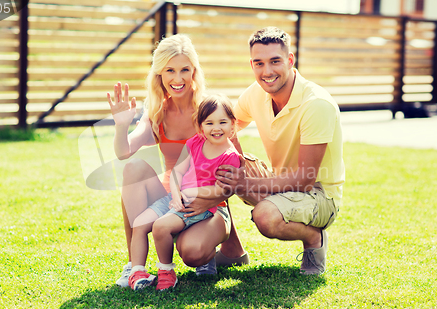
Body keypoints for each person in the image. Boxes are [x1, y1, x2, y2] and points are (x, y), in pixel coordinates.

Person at [107, 34, 247, 288]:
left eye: (185, 70)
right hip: (169, 197)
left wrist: (212, 197)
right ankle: (134, 267)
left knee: (192, 252)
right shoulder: (157, 112)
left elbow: (237, 170)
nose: (178, 78)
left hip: (208, 202)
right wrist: (121, 125)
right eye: (170, 70)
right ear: (159, 73)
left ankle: (207, 252)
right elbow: (124, 151)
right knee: (133, 168)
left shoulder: (211, 111)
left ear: (194, 71)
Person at [215, 27, 345, 275]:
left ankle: (314, 239)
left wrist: (248, 181)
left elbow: (305, 179)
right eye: (259, 63)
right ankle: (232, 251)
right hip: (280, 183)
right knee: (224, 168)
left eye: (275, 61)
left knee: (265, 217)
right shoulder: (256, 92)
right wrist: (236, 162)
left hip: (319, 195)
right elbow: (227, 126)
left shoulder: (316, 104)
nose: (267, 72)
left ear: (290, 60)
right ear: (251, 64)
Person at [126, 94, 240, 290]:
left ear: (232, 125)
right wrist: (177, 194)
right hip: (177, 198)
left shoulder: (230, 156)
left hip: (201, 206)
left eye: (223, 122)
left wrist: (194, 192)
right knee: (139, 223)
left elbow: (223, 189)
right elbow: (178, 172)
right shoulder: (195, 143)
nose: (216, 128)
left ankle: (166, 272)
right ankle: (137, 272)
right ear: (200, 126)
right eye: (209, 123)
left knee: (161, 227)